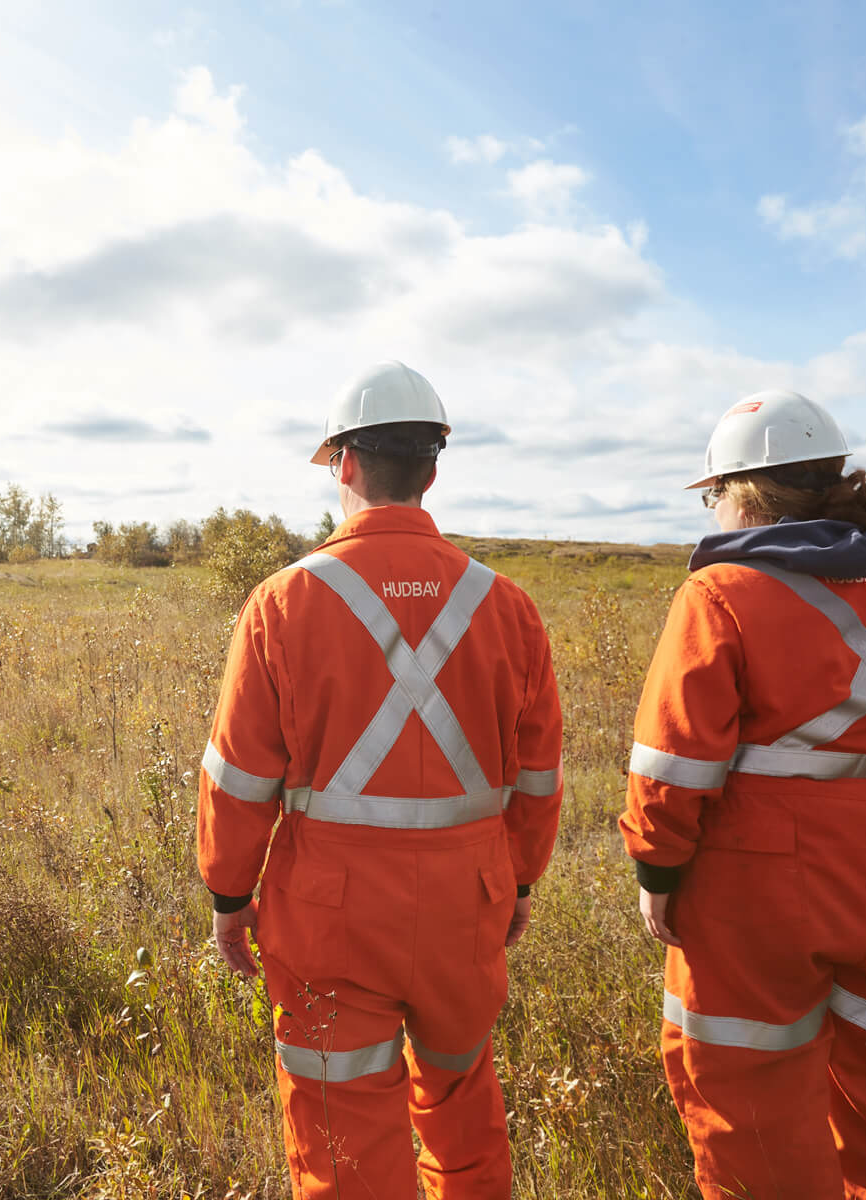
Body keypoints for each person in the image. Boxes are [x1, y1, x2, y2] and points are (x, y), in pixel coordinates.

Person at [198, 361, 564, 1199]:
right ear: (431, 471)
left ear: (346, 464)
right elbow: (538, 776)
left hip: (331, 913)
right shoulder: (508, 606)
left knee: (344, 1140)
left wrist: (228, 895)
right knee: (462, 1105)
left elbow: (239, 776)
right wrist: (518, 881)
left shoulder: (282, 603)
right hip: (467, 903)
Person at [620, 389, 866, 1200]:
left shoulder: (719, 593)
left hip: (753, 892)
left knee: (746, 1103)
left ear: (744, 493)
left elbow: (672, 765)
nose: (715, 510)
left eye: (714, 494)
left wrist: (659, 872)